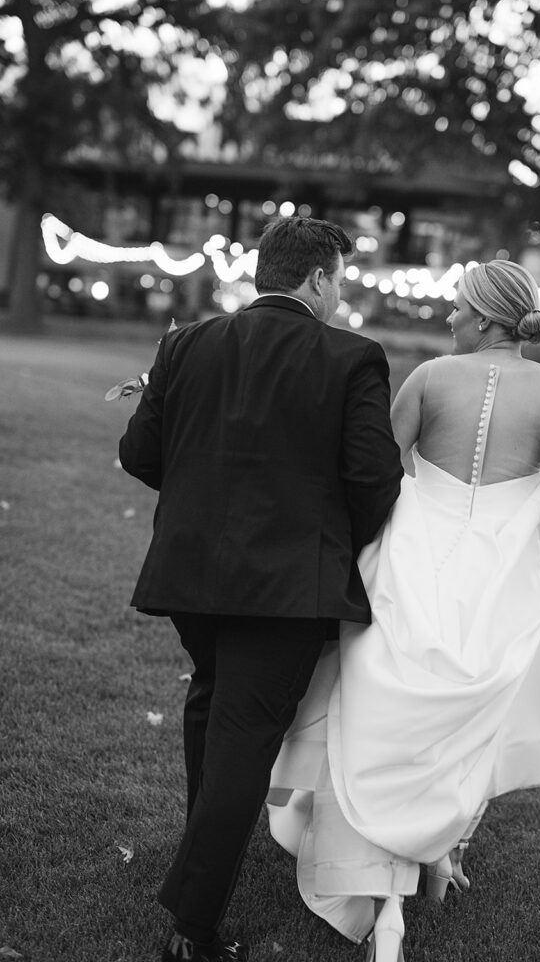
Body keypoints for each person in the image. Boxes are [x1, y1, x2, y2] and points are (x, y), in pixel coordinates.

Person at [265, 259, 540, 961]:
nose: (447, 319)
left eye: (454, 310)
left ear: (480, 318)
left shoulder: (429, 378)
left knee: (378, 697)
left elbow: (380, 468)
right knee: (468, 710)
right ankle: (440, 854)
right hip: (496, 575)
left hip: (414, 557)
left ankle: (383, 888)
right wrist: (523, 517)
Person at [118, 216, 404, 962]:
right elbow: (374, 479)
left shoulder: (187, 344)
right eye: (338, 277)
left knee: (211, 707)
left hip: (191, 570)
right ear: (315, 278)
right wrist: (335, 538)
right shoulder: (352, 357)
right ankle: (192, 924)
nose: (341, 292)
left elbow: (140, 453)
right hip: (286, 584)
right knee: (241, 737)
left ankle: (199, 863)